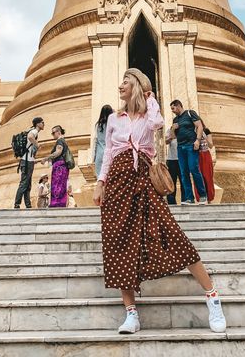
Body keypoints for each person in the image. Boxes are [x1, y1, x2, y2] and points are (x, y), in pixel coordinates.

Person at [93, 68, 226, 335]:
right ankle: (131, 314)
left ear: (138, 87)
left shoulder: (147, 116)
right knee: (118, 244)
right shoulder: (113, 119)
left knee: (173, 235)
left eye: (126, 82)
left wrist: (150, 97)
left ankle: (213, 297)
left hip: (143, 178)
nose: (120, 86)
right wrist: (100, 182)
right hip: (117, 182)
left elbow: (158, 123)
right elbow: (108, 152)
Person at [170, 100, 207, 205]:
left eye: (173, 108)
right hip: (180, 147)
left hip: (191, 145)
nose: (172, 111)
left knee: (194, 169)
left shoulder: (190, 113)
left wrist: (198, 140)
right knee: (183, 172)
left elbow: (199, 126)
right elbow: (173, 137)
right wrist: (173, 129)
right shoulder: (175, 120)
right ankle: (189, 198)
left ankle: (203, 196)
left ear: (178, 106)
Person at [14, 117, 44, 209]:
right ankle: (17, 204)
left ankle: (28, 204)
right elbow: (30, 137)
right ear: (38, 124)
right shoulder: (34, 131)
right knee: (24, 183)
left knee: (27, 184)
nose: (43, 124)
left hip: (28, 160)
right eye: (42, 122)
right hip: (27, 161)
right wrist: (37, 145)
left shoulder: (33, 131)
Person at [41, 125, 70, 208]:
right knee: (61, 184)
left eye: (53, 133)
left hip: (59, 166)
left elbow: (58, 152)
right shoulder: (63, 141)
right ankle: (60, 203)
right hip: (62, 166)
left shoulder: (60, 141)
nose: (52, 135)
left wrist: (46, 158)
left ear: (59, 132)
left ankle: (56, 203)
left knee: (57, 184)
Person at [194, 120, 216, 204]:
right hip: (196, 155)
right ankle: (200, 198)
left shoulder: (206, 131)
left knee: (207, 176)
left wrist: (204, 137)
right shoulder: (192, 132)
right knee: (198, 176)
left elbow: (211, 145)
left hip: (205, 154)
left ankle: (209, 198)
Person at [165, 126, 185, 205]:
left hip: (182, 160)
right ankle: (171, 202)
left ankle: (185, 200)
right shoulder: (170, 130)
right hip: (171, 160)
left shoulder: (184, 130)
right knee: (171, 182)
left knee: (183, 181)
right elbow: (166, 141)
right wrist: (173, 130)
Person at [94, 105, 114, 178]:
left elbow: (96, 141)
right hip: (110, 152)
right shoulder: (112, 124)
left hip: (99, 153)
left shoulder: (97, 125)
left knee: (100, 177)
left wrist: (94, 156)